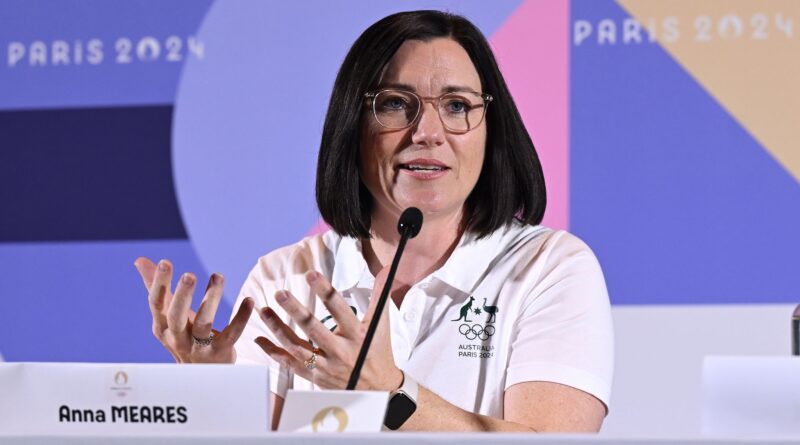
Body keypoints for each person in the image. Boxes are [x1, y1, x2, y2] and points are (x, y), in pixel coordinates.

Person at [134, 10, 613, 432]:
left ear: (490, 128)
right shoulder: (286, 278)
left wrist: (391, 391)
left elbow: (551, 443)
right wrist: (209, 390)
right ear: (352, 126)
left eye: (456, 106)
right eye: (395, 104)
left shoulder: (549, 269)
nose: (427, 133)